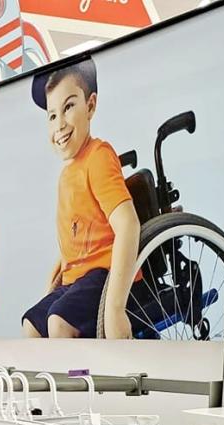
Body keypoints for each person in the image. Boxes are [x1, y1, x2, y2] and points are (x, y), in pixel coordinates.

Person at [23, 56, 141, 340]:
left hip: (105, 272)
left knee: (59, 322)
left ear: (90, 106)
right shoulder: (67, 175)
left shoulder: (98, 157)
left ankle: (78, 382)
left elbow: (128, 225)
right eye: (52, 116)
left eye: (68, 107)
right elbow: (81, 229)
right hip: (77, 277)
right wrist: (62, 265)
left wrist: (115, 307)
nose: (59, 124)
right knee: (32, 325)